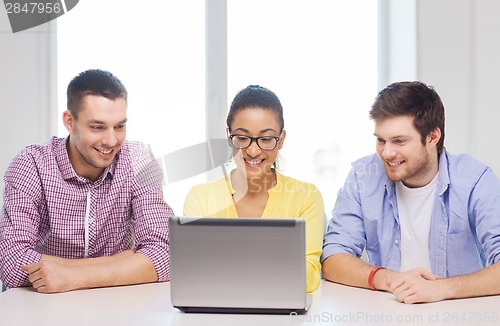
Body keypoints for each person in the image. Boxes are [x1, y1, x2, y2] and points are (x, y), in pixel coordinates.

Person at [321, 81, 500, 304]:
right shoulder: (362, 177)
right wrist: (389, 279)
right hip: (386, 313)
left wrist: (439, 289)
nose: (386, 153)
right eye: (380, 140)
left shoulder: (475, 180)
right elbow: (333, 259)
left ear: (433, 137)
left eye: (399, 141)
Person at [0, 69, 174, 293]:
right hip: (42, 305)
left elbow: (167, 252)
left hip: (116, 303)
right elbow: (11, 262)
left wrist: (72, 276)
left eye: (119, 126)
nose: (111, 140)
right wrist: (125, 261)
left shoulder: (139, 159)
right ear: (70, 122)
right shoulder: (31, 164)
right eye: (97, 127)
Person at [183, 85, 324, 292]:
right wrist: (277, 267)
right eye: (242, 138)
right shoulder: (201, 198)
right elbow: (194, 272)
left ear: (281, 140)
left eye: (266, 139)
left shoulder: (306, 197)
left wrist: (226, 266)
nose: (253, 150)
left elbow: (309, 276)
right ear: (228, 136)